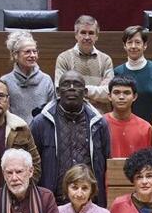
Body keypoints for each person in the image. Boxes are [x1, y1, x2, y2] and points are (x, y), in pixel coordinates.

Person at [31, 71, 111, 205]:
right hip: (53, 201)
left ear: (85, 92)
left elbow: (106, 162)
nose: (72, 88)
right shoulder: (41, 123)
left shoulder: (99, 124)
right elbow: (32, 164)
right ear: (58, 91)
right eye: (66, 84)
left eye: (77, 84)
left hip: (90, 200)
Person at [55, 15, 114, 111]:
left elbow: (108, 93)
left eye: (91, 33)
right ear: (76, 35)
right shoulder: (64, 58)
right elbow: (60, 91)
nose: (87, 37)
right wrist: (97, 91)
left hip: (99, 116)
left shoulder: (106, 60)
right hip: (72, 115)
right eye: (83, 32)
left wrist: (78, 89)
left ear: (97, 36)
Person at [112, 25, 152, 123]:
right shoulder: (117, 72)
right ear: (124, 45)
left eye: (137, 42)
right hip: (125, 127)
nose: (133, 46)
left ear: (145, 45)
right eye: (129, 42)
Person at [1, 29, 55, 122]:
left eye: (35, 51)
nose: (33, 55)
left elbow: (52, 111)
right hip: (15, 132)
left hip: (40, 132)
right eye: (27, 52)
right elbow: (4, 114)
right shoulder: (5, 81)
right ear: (15, 55)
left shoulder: (46, 80)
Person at [105, 76, 152, 158]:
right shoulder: (99, 124)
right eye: (116, 92)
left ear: (134, 97)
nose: (121, 97)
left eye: (126, 93)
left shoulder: (145, 128)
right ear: (109, 96)